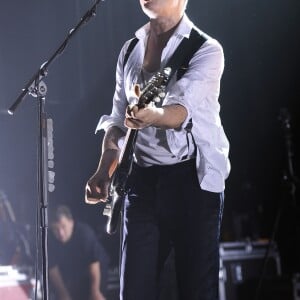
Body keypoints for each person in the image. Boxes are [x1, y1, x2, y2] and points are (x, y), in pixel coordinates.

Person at [85, 0, 230, 299]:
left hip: (192, 182)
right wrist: (103, 169)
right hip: (142, 182)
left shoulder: (206, 49)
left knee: (196, 290)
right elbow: (116, 120)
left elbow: (179, 110)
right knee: (134, 291)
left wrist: (153, 116)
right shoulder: (130, 50)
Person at [48, 204, 108, 300]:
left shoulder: (85, 234)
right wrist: (63, 294)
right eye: (56, 229)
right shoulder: (49, 240)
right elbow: (52, 268)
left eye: (63, 226)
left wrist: (95, 291)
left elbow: (94, 263)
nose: (60, 233)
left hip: (95, 271)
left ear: (71, 222)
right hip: (69, 275)